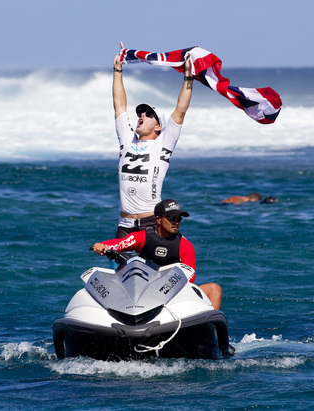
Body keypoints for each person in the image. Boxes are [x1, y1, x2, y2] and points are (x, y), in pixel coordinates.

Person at [112, 41, 194, 238]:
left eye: (148, 114)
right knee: (118, 268)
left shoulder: (163, 144)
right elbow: (119, 105)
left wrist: (188, 76)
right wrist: (117, 70)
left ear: (158, 127)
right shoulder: (127, 139)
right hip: (124, 225)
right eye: (140, 113)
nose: (141, 115)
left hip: (150, 226)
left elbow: (181, 110)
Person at [91, 199, 222, 310]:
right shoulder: (142, 237)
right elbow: (119, 244)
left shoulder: (185, 246)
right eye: (171, 218)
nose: (176, 222)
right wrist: (102, 246)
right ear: (158, 219)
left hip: (172, 295)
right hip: (140, 293)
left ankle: (213, 334)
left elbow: (189, 280)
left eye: (179, 219)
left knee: (214, 289)